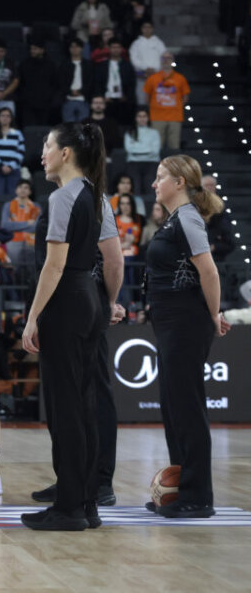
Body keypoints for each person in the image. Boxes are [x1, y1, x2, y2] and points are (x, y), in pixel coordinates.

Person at [20, 122, 108, 531]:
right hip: (88, 297)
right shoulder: (94, 193)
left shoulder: (62, 198)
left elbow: (54, 266)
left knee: (66, 407)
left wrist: (32, 316)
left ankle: (69, 506)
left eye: (48, 146)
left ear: (66, 153)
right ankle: (86, 502)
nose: (43, 153)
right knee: (84, 403)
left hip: (66, 301)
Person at [143, 155, 229, 518]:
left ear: (179, 182)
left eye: (160, 177)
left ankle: (197, 497)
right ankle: (179, 489)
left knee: (188, 408)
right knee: (174, 406)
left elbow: (208, 270)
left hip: (186, 323)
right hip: (170, 323)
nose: (154, 183)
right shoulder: (175, 219)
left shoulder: (190, 217)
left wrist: (213, 313)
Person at [143, 52, 189, 151]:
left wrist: (174, 107)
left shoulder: (180, 78)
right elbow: (146, 97)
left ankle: (174, 167)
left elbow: (185, 97)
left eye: (168, 58)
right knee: (156, 146)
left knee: (174, 146)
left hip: (175, 117)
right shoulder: (152, 78)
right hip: (157, 117)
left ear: (172, 61)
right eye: (163, 58)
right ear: (160, 61)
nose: (166, 60)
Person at [0, 108, 25, 204]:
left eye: (8, 116)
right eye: (2, 115)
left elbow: (21, 152)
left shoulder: (18, 134)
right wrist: (1, 166)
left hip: (14, 170)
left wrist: (10, 166)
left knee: (13, 196)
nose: (5, 118)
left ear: (11, 118)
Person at [124, 109, 162, 194]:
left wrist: (137, 151)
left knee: (151, 187)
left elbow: (155, 151)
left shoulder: (154, 133)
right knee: (135, 188)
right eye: (139, 116)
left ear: (148, 118)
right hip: (133, 163)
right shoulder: (130, 132)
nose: (142, 119)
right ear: (136, 118)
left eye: (144, 116)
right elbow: (129, 149)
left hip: (152, 163)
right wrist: (148, 151)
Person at [201, 175, 235, 261]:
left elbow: (226, 230)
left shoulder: (222, 206)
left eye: (212, 185)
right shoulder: (192, 204)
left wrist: (214, 246)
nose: (209, 188)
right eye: (207, 185)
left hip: (216, 254)